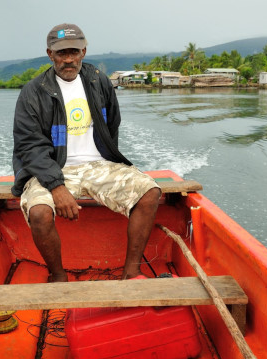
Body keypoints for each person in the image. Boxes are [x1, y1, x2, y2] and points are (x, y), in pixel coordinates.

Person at [12, 23, 161, 282]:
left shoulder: (98, 81)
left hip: (98, 165)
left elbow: (112, 122)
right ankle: (58, 276)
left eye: (74, 52)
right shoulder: (33, 91)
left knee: (149, 193)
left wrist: (107, 159)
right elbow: (29, 145)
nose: (68, 59)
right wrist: (56, 186)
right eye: (61, 53)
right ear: (50, 54)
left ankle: (131, 272)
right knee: (39, 213)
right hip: (53, 168)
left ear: (83, 51)